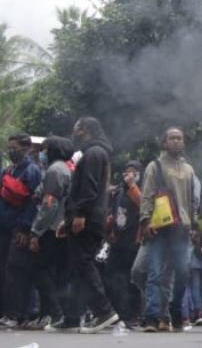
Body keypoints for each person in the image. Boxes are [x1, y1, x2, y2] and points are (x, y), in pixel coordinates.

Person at [49, 117, 118, 333]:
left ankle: (104, 311)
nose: (73, 132)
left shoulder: (94, 153)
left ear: (85, 130)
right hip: (85, 217)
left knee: (83, 264)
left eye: (76, 128)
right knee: (76, 267)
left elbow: (88, 188)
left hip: (87, 219)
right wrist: (68, 220)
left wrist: (79, 215)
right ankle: (71, 317)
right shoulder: (94, 153)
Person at [9, 136, 74, 330]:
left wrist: (35, 232)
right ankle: (60, 313)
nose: (41, 153)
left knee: (40, 270)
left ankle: (55, 313)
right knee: (57, 272)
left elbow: (49, 205)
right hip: (59, 228)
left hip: (51, 228)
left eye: (45, 149)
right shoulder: (62, 169)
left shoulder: (55, 170)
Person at [139, 127, 198, 333]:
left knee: (182, 273)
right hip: (160, 227)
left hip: (181, 228)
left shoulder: (189, 169)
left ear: (183, 143)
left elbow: (192, 200)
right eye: (171, 138)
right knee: (155, 273)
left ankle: (174, 311)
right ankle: (153, 318)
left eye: (179, 138)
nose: (176, 141)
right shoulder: (155, 166)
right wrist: (145, 220)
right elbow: (147, 195)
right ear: (164, 143)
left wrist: (193, 224)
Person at [0, 133, 42, 327]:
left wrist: (25, 228)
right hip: (4, 226)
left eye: (14, 147)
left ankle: (16, 314)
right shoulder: (8, 170)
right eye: (10, 147)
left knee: (14, 270)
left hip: (19, 227)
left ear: (25, 148)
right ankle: (6, 312)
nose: (11, 150)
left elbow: (32, 203)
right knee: (3, 269)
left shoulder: (32, 171)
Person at [105, 161, 143, 328]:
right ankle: (118, 313)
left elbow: (143, 205)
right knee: (113, 278)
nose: (129, 175)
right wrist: (111, 229)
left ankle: (133, 315)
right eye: (127, 172)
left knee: (131, 280)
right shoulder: (119, 191)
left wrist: (133, 185)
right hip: (118, 240)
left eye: (134, 172)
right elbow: (114, 211)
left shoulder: (142, 190)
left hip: (134, 240)